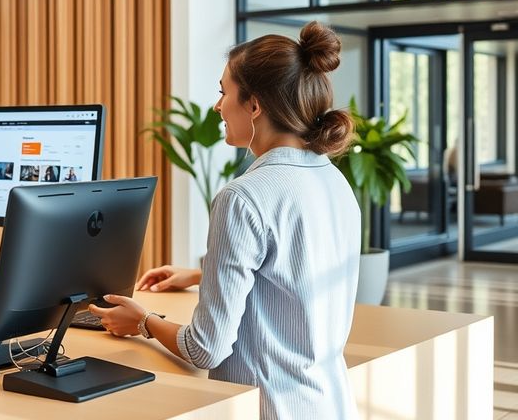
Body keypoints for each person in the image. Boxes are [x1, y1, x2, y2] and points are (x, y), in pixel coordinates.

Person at [90, 21, 360, 419]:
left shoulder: (243, 197)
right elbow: (299, 274)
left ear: (254, 106)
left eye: (223, 92)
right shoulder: (333, 180)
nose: (218, 106)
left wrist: (143, 321)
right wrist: (204, 275)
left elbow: (206, 348)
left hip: (265, 409)